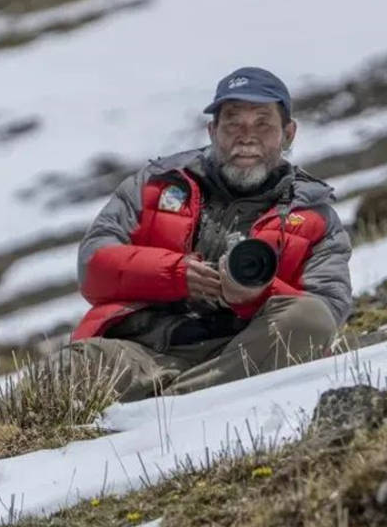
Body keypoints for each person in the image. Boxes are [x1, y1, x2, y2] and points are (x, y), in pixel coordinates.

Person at [67, 66, 352, 401]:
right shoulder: (156, 184)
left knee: (309, 319)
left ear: (288, 133)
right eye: (233, 122)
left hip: (242, 352)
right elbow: (93, 267)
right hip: (142, 351)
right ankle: (180, 398)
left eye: (263, 123)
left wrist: (254, 293)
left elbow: (328, 311)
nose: (247, 135)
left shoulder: (314, 216)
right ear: (212, 130)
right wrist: (176, 274)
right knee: (63, 371)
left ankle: (174, 403)